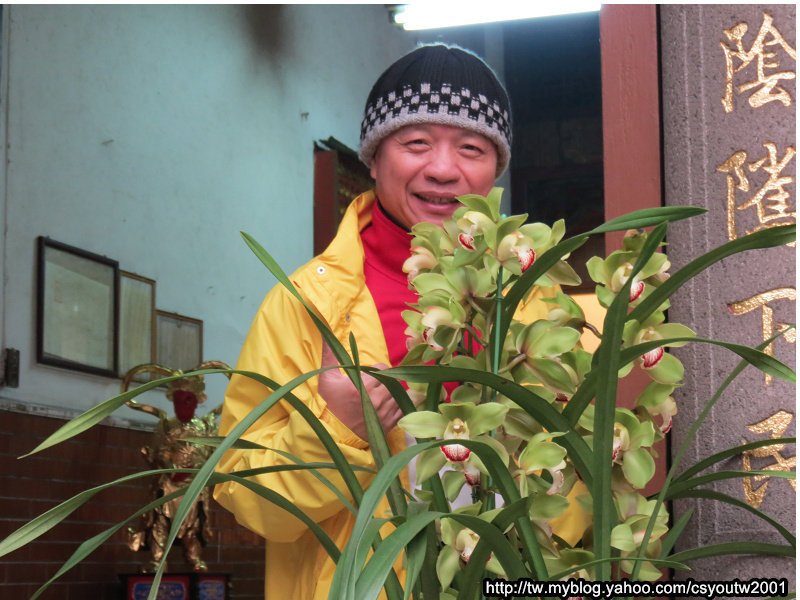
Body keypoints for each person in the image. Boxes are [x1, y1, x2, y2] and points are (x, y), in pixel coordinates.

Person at [213, 44, 589, 599]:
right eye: (416, 144)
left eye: (471, 148)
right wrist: (339, 429)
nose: (442, 168)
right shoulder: (305, 304)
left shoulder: (538, 304)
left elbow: (579, 482)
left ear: (496, 168)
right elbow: (247, 498)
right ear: (371, 157)